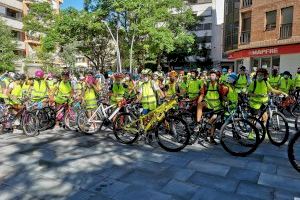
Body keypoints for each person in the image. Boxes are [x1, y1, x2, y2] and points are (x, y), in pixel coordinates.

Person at [194, 70, 224, 144]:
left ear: (217, 77)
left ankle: (211, 137)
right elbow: (202, 94)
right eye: (211, 75)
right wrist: (198, 103)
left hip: (216, 105)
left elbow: (223, 95)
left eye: (213, 75)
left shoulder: (220, 85)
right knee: (200, 105)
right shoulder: (206, 84)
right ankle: (198, 124)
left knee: (213, 121)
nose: (211, 76)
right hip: (208, 103)